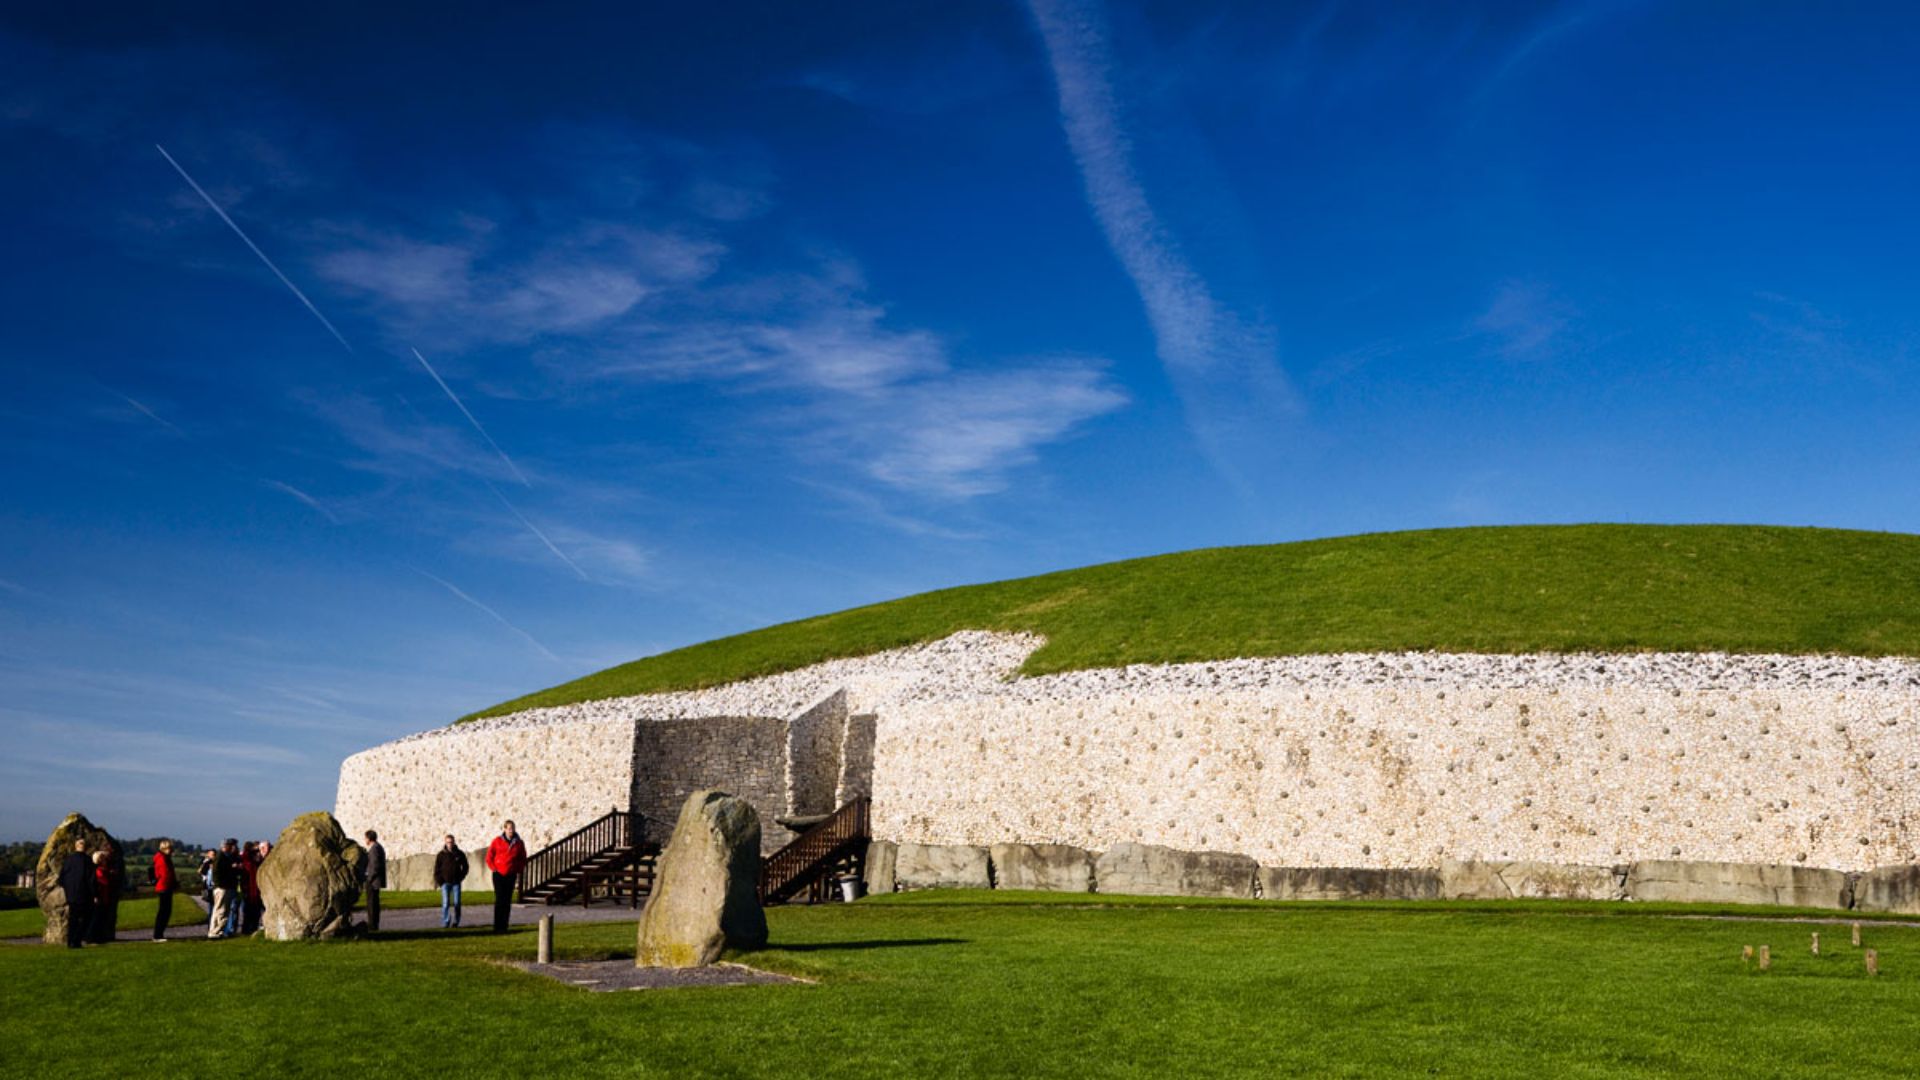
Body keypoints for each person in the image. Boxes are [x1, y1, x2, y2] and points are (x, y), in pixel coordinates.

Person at [485, 820, 526, 934]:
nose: (511, 830)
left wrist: (517, 869)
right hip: (499, 874)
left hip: (511, 874)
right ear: (505, 829)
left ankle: (504, 926)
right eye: (509, 828)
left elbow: (522, 858)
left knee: (507, 901)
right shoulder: (497, 841)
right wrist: (494, 868)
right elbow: (489, 856)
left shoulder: (519, 843)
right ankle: (497, 926)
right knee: (499, 900)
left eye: (512, 828)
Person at [57, 839, 94, 949]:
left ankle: (70, 941)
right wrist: (94, 893)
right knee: (86, 918)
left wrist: (68, 889)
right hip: (84, 894)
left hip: (71, 895)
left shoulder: (68, 860)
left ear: (75, 846)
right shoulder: (87, 860)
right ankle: (77, 940)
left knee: (73, 919)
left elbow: (61, 879)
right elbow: (91, 879)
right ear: (85, 847)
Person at [433, 834, 469, 929]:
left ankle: (456, 922)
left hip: (456, 882)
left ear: (454, 842)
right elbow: (436, 870)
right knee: (446, 903)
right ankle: (446, 921)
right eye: (448, 842)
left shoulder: (459, 854)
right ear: (445, 843)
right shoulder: (441, 855)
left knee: (457, 903)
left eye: (451, 842)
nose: (450, 844)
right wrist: (440, 882)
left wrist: (461, 877)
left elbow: (465, 866)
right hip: (445, 883)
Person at [208, 839, 241, 939]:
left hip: (223, 887)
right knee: (220, 910)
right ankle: (215, 932)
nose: (231, 847)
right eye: (230, 845)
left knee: (221, 910)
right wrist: (220, 884)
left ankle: (217, 931)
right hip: (222, 887)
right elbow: (217, 871)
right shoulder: (221, 857)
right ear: (225, 846)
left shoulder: (223, 856)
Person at [88, 850, 116, 944]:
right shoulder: (99, 871)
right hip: (100, 897)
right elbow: (103, 882)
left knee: (101, 917)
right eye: (104, 859)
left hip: (103, 896)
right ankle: (92, 937)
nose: (106, 861)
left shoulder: (102, 870)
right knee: (97, 918)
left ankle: (98, 937)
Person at [151, 840, 177, 941]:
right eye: (170, 848)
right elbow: (165, 874)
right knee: (164, 911)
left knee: (164, 911)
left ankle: (159, 934)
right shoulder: (163, 859)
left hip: (163, 886)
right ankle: (158, 935)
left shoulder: (162, 857)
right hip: (164, 887)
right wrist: (172, 883)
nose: (171, 850)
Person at [361, 829, 387, 932]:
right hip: (374, 880)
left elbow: (375, 865)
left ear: (369, 838)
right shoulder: (377, 847)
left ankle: (372, 925)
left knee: (372, 904)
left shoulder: (375, 849)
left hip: (373, 881)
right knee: (373, 903)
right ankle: (373, 924)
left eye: (365, 838)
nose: (364, 840)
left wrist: (369, 878)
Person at [240, 842, 264, 934]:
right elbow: (250, 868)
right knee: (249, 911)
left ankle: (252, 928)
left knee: (254, 912)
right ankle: (248, 929)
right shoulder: (247, 860)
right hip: (250, 890)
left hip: (253, 890)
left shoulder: (249, 859)